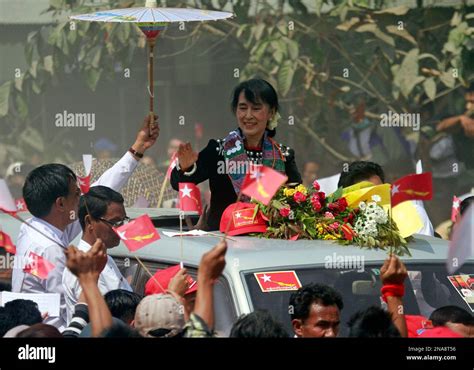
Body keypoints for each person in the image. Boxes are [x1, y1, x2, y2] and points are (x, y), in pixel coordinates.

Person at [12, 115, 159, 330]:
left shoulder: (40, 226)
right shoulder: (50, 250)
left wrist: (137, 149)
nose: (83, 198)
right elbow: (65, 311)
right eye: (77, 194)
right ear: (61, 203)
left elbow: (102, 190)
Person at [171, 79, 302, 230]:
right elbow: (177, 183)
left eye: (256, 108)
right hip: (222, 242)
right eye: (243, 108)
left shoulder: (283, 156)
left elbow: (297, 199)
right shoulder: (218, 150)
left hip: (268, 243)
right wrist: (185, 168)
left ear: (271, 112)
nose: (248, 115)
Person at [62, 186, 134, 324]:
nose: (121, 228)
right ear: (89, 222)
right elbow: (102, 320)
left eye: (124, 221)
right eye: (115, 222)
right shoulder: (82, 267)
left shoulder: (106, 258)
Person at [338, 161, 434, 236]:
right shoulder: (332, 228)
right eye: (366, 195)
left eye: (380, 192)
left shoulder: (413, 215)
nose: (375, 201)